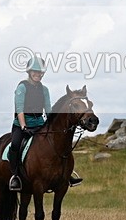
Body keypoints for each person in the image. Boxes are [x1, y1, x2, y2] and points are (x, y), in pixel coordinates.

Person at [9, 56, 82, 191]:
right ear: (29, 72)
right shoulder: (22, 87)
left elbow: (48, 110)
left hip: (39, 124)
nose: (38, 75)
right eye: (35, 72)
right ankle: (16, 176)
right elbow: (19, 109)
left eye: (40, 72)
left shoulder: (44, 89)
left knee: (57, 145)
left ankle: (66, 174)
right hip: (22, 125)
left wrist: (53, 125)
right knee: (15, 145)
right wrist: (24, 126)